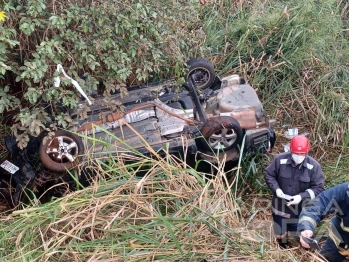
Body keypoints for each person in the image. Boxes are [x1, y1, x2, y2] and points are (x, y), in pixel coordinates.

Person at [264, 135, 325, 246]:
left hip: (299, 209)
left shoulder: (314, 166)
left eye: (302, 154)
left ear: (307, 152)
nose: (298, 156)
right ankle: (282, 244)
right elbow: (269, 174)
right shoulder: (279, 160)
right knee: (280, 234)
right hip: (280, 207)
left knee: (297, 233)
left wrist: (301, 197)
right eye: (296, 153)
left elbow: (319, 187)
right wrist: (276, 189)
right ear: (291, 150)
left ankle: (295, 243)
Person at [297, 182, 349, 262]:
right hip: (338, 241)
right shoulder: (343, 190)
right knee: (323, 259)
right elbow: (319, 203)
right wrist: (306, 227)